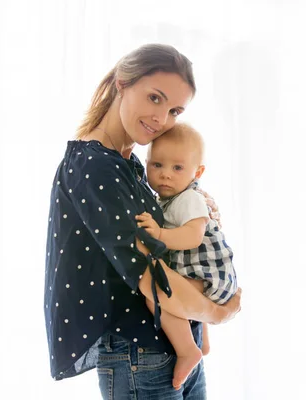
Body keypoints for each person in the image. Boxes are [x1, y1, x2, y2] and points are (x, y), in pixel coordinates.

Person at [43, 43, 242, 400]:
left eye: (174, 110)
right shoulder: (94, 166)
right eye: (155, 98)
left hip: (170, 348)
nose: (161, 118)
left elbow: (168, 249)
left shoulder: (133, 165)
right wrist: (219, 312)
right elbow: (151, 276)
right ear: (122, 82)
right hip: (139, 355)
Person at [135, 122, 238, 390]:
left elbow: (192, 237)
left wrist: (158, 233)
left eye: (177, 168)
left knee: (159, 298)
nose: (165, 175)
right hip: (198, 272)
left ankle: (186, 351)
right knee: (177, 291)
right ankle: (201, 342)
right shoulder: (167, 199)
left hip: (210, 274)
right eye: (156, 165)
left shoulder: (190, 198)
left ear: (197, 172)